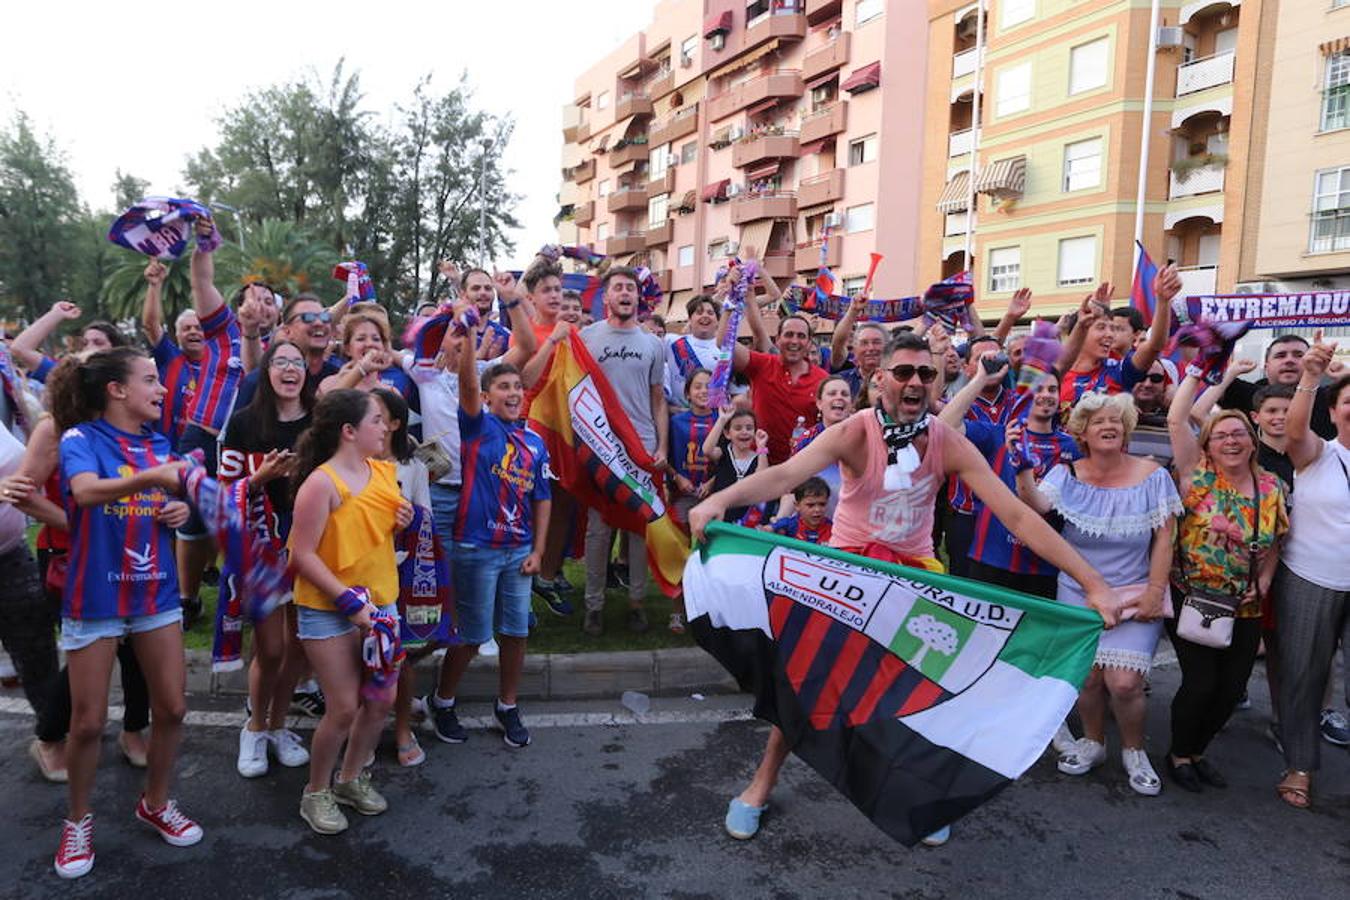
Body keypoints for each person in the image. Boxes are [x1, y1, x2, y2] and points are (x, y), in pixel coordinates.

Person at [690, 330, 1121, 846]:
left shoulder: (947, 440)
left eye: (925, 373)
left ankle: (920, 797)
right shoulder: (854, 432)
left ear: (935, 383)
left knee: (916, 699)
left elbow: (1015, 515)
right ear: (880, 380)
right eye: (903, 372)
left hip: (914, 586)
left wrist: (1092, 582)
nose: (915, 381)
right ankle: (761, 784)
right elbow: (783, 475)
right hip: (846, 582)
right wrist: (720, 501)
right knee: (806, 686)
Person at [46, 347, 200, 878]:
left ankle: (155, 803)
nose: (161, 390)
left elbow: (166, 504)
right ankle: (77, 821)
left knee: (174, 709)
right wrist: (156, 478)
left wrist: (177, 508)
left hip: (155, 593)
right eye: (151, 380)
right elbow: (85, 493)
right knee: (87, 724)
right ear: (117, 390)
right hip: (96, 600)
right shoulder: (80, 440)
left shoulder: (159, 442)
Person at [1019, 392, 1181, 797]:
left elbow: (1165, 540)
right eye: (1098, 422)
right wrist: (1022, 470)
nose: (1108, 426)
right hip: (1077, 592)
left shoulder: (1153, 475)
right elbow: (1035, 506)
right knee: (1087, 679)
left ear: (1126, 429)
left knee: (1125, 683)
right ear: (1083, 433)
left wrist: (1155, 592)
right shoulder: (1066, 473)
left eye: (1115, 420)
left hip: (1136, 594)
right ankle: (1093, 742)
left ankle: (1134, 751)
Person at [288, 389, 412, 835]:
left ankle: (350, 778)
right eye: (377, 420)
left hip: (381, 604)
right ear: (349, 431)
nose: (386, 426)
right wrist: (348, 601)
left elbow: (375, 532)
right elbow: (301, 555)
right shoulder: (321, 483)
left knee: (380, 703)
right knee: (342, 707)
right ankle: (315, 792)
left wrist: (402, 520)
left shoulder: (383, 471)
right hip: (328, 609)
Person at [1162, 367, 1287, 792]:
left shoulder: (1270, 487)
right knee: (1201, 684)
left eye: (1238, 434)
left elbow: (1276, 543)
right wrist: (1210, 371)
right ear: (1208, 445)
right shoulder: (1196, 475)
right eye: (1221, 435)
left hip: (1245, 603)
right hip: (1192, 596)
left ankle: (1198, 751)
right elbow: (1177, 419)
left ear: (1252, 440)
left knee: (1232, 689)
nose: (1231, 440)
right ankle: (1179, 754)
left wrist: (1265, 581)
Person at [428, 328, 551, 749]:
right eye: (503, 386)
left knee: (516, 632)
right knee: (473, 634)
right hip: (475, 549)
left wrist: (538, 551)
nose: (513, 393)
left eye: (517, 386)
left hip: (518, 553)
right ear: (486, 396)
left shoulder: (534, 441)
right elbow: (465, 385)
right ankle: (442, 700)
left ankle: (507, 705)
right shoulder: (477, 427)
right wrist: (465, 350)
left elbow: (543, 498)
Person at [219, 340, 314, 779]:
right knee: (271, 648)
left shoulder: (321, 423)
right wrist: (258, 480)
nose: (290, 369)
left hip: (312, 544)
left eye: (298, 362)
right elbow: (223, 493)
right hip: (263, 547)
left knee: (299, 647)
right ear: (267, 371)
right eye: (281, 361)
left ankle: (278, 727)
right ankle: (254, 728)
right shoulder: (242, 424)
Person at [1270, 336, 1350, 809]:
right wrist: (1311, 377)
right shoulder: (1317, 454)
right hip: (1310, 579)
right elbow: (1294, 431)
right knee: (1303, 675)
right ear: (1335, 411)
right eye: (1348, 402)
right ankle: (1300, 765)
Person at [578, 266, 668, 637]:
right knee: (598, 530)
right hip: (600, 444)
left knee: (637, 529)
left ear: (638, 296)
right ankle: (593, 606)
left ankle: (636, 603)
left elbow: (658, 399)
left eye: (630, 288)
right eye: (618, 288)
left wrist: (662, 445)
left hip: (641, 447)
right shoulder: (586, 338)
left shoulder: (653, 344)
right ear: (607, 297)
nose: (625, 293)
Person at [943, 359, 1079, 600]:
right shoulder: (997, 434)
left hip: (1044, 568)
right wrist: (981, 378)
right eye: (1037, 389)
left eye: (1052, 389)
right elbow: (943, 426)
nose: (1045, 395)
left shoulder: (1073, 447)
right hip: (990, 561)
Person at [369, 388, 433, 768]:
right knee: (358, 658)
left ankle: (403, 726)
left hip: (398, 571)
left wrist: (405, 521)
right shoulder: (348, 463)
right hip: (356, 576)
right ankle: (364, 729)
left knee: (399, 655)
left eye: (377, 416)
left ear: (394, 423)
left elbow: (425, 520)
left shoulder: (413, 468)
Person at [1057, 268, 1178, 413]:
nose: (1110, 334)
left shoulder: (1118, 370)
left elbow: (1155, 345)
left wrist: (1162, 301)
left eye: (1113, 328)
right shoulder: (1055, 374)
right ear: (1080, 331)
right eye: (1101, 327)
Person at [665, 368, 717, 634]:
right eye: (697, 387)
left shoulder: (721, 420)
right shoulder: (676, 423)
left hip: (712, 498)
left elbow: (730, 461)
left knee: (710, 555)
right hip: (683, 496)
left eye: (709, 386)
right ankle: (677, 611)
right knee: (682, 554)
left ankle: (709, 609)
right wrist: (677, 479)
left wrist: (713, 482)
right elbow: (668, 461)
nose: (703, 392)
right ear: (687, 392)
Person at [232, 293, 341, 410]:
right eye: (308, 317)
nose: (319, 323)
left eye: (325, 317)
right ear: (287, 331)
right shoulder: (260, 381)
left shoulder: (339, 375)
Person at [1219, 334, 1335, 440]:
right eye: (1280, 356)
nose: (1289, 360)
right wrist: (1229, 373)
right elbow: (1205, 394)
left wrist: (1344, 375)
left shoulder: (1332, 397)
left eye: (1299, 355)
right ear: (1266, 366)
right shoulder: (1246, 394)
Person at [140, 260, 203, 453]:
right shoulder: (170, 357)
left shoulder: (219, 365)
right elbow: (151, 324)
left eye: (199, 328)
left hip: (207, 458)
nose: (193, 332)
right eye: (186, 328)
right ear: (177, 336)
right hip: (165, 454)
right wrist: (155, 285)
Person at [782, 375, 853, 519]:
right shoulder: (806, 440)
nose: (839, 397)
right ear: (819, 403)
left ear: (851, 404)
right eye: (832, 393)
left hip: (851, 524)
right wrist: (778, 521)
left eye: (844, 394)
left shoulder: (862, 437)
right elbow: (791, 489)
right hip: (812, 528)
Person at [8, 301, 129, 384]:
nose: (90, 348)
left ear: (116, 349)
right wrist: (56, 314)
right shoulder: (71, 377)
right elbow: (20, 348)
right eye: (85, 343)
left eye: (98, 343)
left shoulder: (130, 378)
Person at [702, 406, 773, 527]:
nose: (744, 431)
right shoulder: (723, 452)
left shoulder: (759, 457)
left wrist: (761, 447)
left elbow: (762, 478)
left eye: (749, 428)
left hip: (747, 521)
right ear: (727, 433)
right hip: (721, 518)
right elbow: (707, 450)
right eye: (738, 428)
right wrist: (722, 420)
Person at [664, 295, 721, 406]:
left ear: (718, 320)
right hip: (676, 418)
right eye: (699, 313)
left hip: (711, 417)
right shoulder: (671, 342)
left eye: (710, 313)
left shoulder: (724, 350)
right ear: (689, 319)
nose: (705, 316)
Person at [767, 477, 832, 543]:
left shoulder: (833, 529)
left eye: (822, 504)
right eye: (810, 505)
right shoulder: (789, 524)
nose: (817, 509)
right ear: (797, 506)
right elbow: (765, 531)